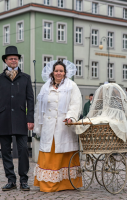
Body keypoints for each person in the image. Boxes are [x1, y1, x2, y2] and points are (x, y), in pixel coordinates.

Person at [0, 46, 34, 191]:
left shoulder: (26, 78)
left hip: (21, 119)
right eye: (11, 58)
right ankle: (11, 180)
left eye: (15, 58)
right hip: (4, 119)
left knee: (23, 151)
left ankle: (23, 180)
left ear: (18, 61)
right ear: (6, 60)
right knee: (5, 151)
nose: (13, 60)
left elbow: (30, 100)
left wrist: (30, 119)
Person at [33, 60, 82, 192]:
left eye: (61, 71)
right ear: (52, 72)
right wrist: (38, 123)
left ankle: (67, 183)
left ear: (65, 73)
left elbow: (75, 104)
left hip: (64, 125)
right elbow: (39, 107)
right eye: (56, 71)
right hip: (49, 126)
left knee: (63, 153)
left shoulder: (71, 86)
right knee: (48, 153)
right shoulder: (45, 87)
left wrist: (71, 117)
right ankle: (47, 184)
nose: (58, 73)